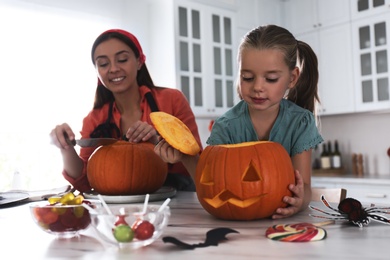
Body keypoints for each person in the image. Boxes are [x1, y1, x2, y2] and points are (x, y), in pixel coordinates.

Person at [155, 24, 323, 219]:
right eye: (248, 77)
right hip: (235, 228)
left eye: (271, 79)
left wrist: (299, 203)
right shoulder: (226, 125)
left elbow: (305, 187)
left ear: (292, 78)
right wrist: (184, 156)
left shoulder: (300, 122)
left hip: (284, 227)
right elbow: (209, 184)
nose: (258, 87)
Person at [50, 29, 202, 192]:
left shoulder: (172, 100)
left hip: (180, 202)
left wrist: (158, 141)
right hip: (118, 210)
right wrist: (65, 147)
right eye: (103, 64)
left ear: (139, 61)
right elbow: (86, 182)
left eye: (122, 59)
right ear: (97, 71)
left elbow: (199, 164)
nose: (113, 68)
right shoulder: (93, 119)